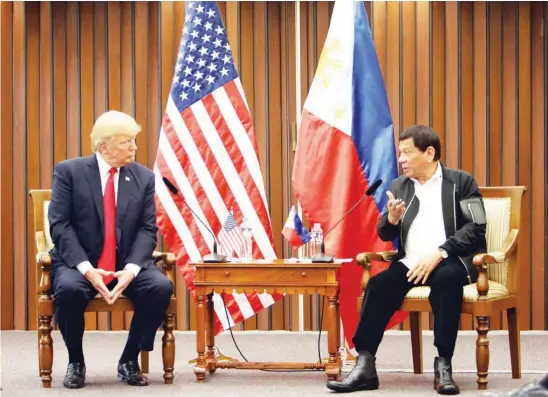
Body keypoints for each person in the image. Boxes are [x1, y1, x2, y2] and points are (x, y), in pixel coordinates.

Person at [327, 125, 487, 395]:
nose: (400, 159)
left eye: (406, 153)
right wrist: (391, 220)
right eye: (399, 153)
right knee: (378, 286)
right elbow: (384, 232)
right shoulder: (399, 186)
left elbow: (476, 227)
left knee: (446, 282)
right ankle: (365, 365)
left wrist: (440, 251)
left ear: (429, 153)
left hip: (449, 259)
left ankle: (444, 365)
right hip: (410, 262)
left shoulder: (462, 182)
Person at [48, 110, 173, 388]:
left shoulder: (142, 177)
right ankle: (75, 362)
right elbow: (60, 225)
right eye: (126, 142)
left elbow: (147, 229)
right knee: (68, 290)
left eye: (134, 141)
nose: (134, 147)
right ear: (104, 147)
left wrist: (130, 270)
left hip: (125, 262)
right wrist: (86, 268)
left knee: (160, 287)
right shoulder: (69, 172)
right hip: (79, 262)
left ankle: (129, 360)